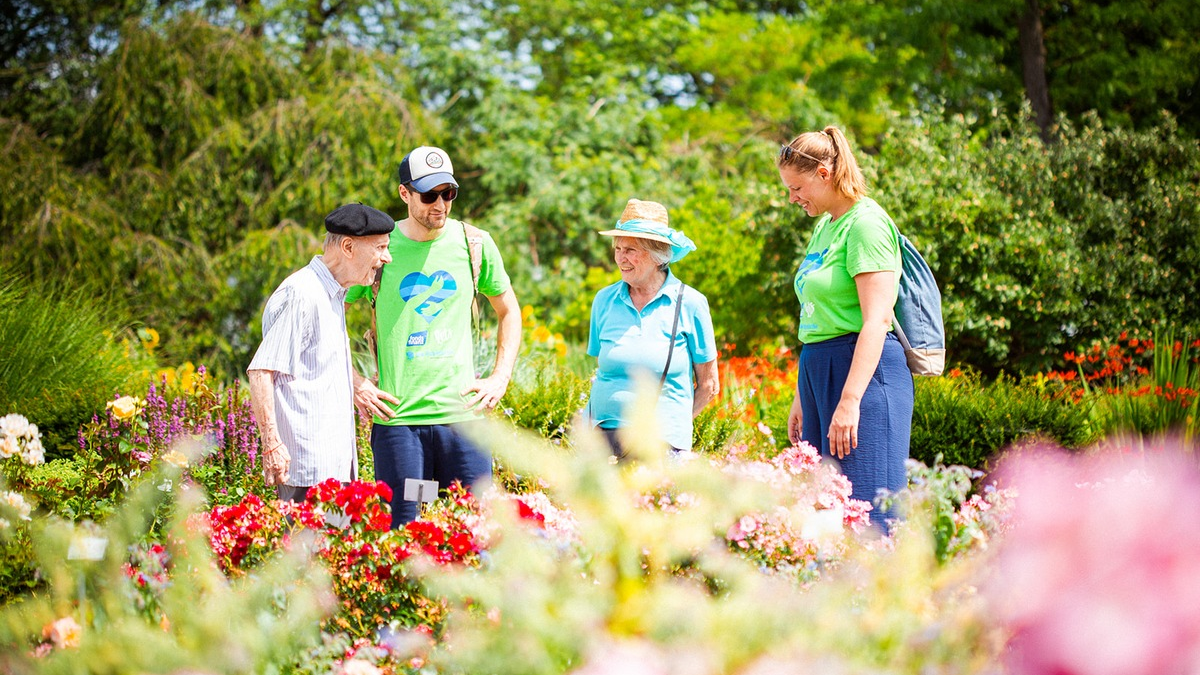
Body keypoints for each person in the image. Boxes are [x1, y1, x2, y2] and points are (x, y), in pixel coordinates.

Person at [347, 146, 521, 527]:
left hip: (463, 423)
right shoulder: (380, 248)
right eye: (429, 195)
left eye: (448, 193)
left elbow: (509, 310)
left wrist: (500, 377)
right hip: (400, 426)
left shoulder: (474, 244)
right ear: (404, 194)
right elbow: (329, 317)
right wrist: (355, 382)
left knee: (474, 532)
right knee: (408, 532)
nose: (440, 204)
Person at [777, 125, 914, 527]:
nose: (792, 198)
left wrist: (850, 400)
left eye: (796, 187)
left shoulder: (866, 224)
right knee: (826, 512)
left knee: (870, 508)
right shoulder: (825, 225)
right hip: (819, 368)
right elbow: (817, 317)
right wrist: (803, 395)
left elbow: (877, 318)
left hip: (863, 374)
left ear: (824, 174)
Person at [248, 203, 395, 502]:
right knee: (305, 549)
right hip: (307, 473)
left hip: (331, 471)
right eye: (380, 247)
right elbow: (261, 371)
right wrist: (272, 445)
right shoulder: (303, 293)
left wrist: (355, 385)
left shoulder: (332, 293)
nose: (386, 258)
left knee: (331, 549)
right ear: (348, 247)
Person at [586, 198, 720, 459]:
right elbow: (603, 369)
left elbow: (709, 385)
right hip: (603, 439)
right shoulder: (604, 300)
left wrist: (674, 426)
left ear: (657, 254)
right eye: (618, 248)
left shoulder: (690, 303)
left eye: (631, 250)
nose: (620, 258)